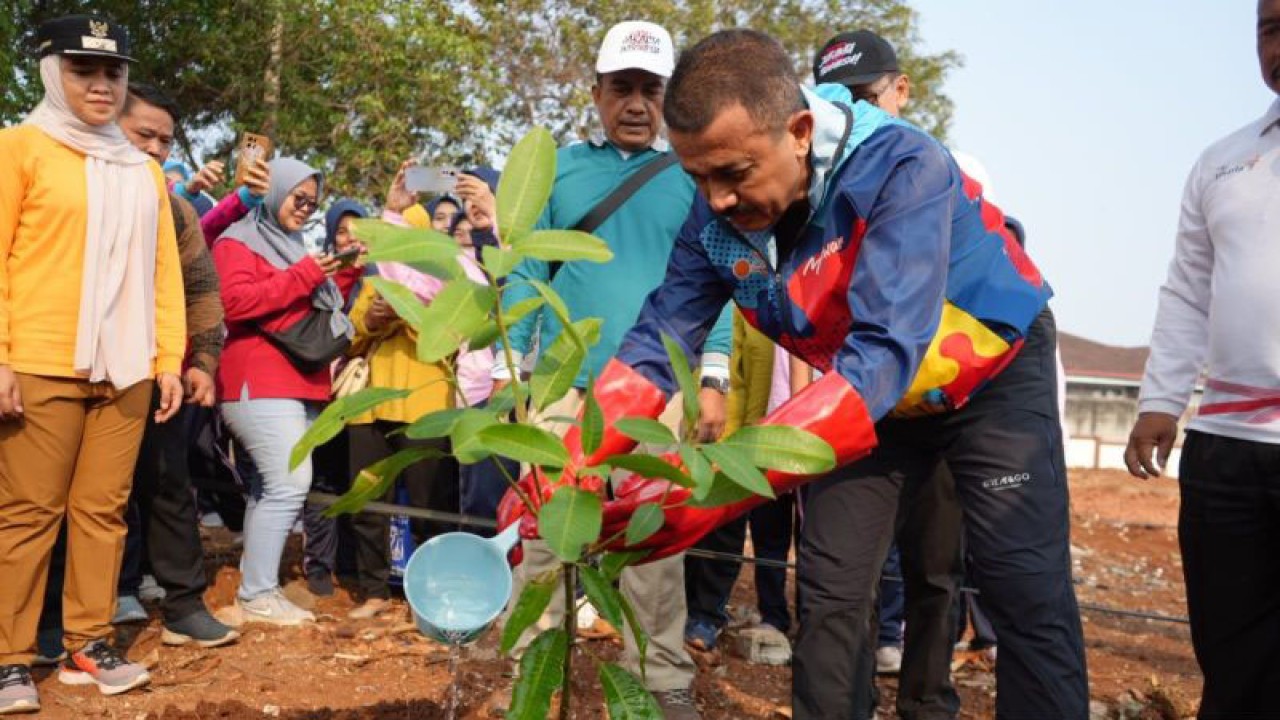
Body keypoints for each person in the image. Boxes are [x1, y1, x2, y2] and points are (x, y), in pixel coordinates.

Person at [513, 29, 1087, 720]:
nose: (716, 200)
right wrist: (575, 456)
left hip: (984, 380)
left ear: (800, 131)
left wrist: (712, 494)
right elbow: (663, 334)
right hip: (866, 400)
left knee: (1021, 586)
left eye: (734, 173)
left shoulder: (903, 167)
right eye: (698, 176)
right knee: (831, 585)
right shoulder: (716, 212)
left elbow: (882, 351)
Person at [496, 21, 734, 719]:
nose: (636, 103)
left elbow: (714, 281)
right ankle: (532, 671)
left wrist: (712, 378)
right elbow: (525, 273)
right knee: (544, 535)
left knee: (652, 541)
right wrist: (517, 379)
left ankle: (659, 676)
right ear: (595, 94)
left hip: (654, 396)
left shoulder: (690, 179)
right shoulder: (557, 170)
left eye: (651, 90)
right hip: (561, 390)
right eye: (622, 88)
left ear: (669, 99)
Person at [0, 15, 187, 710]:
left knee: (104, 512)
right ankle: (10, 658)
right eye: (84, 70)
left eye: (113, 72)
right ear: (52, 72)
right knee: (27, 514)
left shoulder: (142, 168)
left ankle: (88, 640)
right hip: (41, 359)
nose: (102, 85)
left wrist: (168, 356)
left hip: (129, 367)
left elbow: (162, 273)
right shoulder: (18, 149)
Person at [1124, 1, 1280, 714]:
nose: (1277, 42)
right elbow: (1188, 287)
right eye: (1269, 27)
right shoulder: (1221, 161)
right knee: (1232, 652)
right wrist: (1161, 399)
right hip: (1224, 450)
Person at [213, 158, 363, 626]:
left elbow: (303, 309)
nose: (304, 209)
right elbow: (234, 304)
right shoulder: (237, 240)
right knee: (289, 484)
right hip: (257, 383)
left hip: (296, 382)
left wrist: (341, 274)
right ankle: (258, 593)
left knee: (268, 487)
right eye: (297, 198)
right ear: (275, 190)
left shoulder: (290, 247)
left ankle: (255, 585)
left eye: (312, 204)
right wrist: (306, 276)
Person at [340, 180, 456, 620]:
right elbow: (349, 336)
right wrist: (371, 320)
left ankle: (426, 595)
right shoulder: (375, 276)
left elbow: (452, 340)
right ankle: (373, 590)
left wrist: (409, 314)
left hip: (427, 404)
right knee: (368, 499)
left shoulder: (450, 281)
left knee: (430, 505)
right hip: (370, 404)